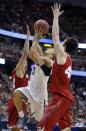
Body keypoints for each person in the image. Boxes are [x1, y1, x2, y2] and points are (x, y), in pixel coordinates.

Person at [39, 3, 78, 131]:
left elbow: (55, 36)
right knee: (66, 128)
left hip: (60, 97)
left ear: (65, 45)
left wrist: (55, 16)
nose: (61, 42)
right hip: (65, 98)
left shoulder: (63, 55)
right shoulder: (68, 59)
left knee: (43, 127)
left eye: (64, 41)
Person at [13, 26, 55, 129]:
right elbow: (34, 52)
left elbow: (33, 53)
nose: (48, 49)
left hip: (40, 97)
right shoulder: (40, 59)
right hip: (30, 89)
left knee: (40, 124)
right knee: (16, 93)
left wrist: (36, 38)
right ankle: (22, 117)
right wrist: (36, 38)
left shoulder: (49, 62)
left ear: (53, 55)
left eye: (51, 50)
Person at [8, 25, 30, 131]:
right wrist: (28, 37)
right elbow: (25, 53)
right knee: (16, 128)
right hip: (17, 102)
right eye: (24, 61)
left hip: (22, 102)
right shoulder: (19, 71)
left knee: (16, 128)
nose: (25, 62)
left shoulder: (26, 74)